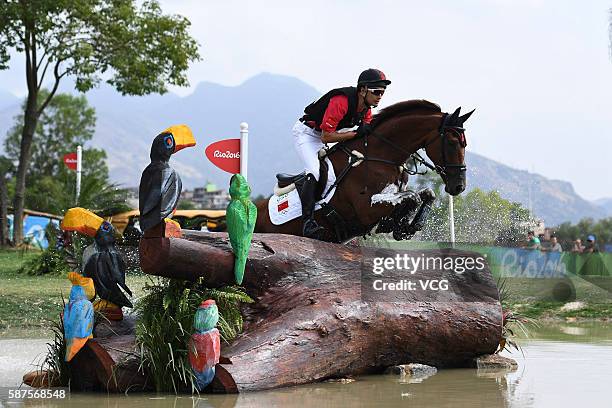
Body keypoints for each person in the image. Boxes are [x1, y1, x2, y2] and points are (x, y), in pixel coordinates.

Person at [293, 68, 391, 238]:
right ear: (362, 90)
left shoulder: (366, 110)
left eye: (382, 92)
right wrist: (354, 134)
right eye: (376, 91)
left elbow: (363, 136)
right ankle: (307, 222)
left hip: (328, 135)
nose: (380, 96)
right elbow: (326, 136)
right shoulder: (341, 101)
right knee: (316, 172)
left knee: (333, 176)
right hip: (307, 134)